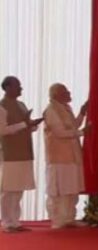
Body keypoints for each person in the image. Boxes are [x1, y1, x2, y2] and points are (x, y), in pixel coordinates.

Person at [0, 76, 43, 233]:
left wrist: (32, 125)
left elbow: (25, 126)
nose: (21, 89)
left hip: (24, 151)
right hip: (9, 153)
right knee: (8, 189)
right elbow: (2, 130)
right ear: (7, 88)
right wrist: (25, 124)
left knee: (18, 188)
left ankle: (16, 222)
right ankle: (6, 222)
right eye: (18, 86)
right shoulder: (1, 106)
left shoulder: (21, 105)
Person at [43, 83, 89, 229]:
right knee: (60, 190)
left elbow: (73, 126)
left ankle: (69, 218)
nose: (69, 93)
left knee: (71, 189)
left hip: (72, 156)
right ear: (56, 95)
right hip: (59, 158)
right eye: (65, 91)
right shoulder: (51, 110)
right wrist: (82, 132)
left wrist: (82, 113)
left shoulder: (65, 108)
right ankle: (58, 220)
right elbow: (60, 133)